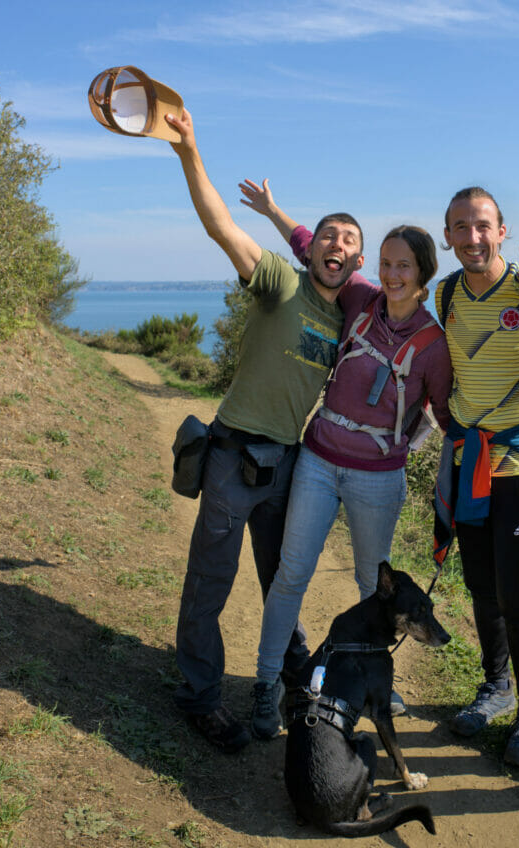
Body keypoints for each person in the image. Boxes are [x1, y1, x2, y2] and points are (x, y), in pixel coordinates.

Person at [164, 109, 372, 752]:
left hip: (288, 464)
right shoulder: (279, 282)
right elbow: (220, 224)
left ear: (356, 260)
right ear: (312, 250)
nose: (336, 247)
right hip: (231, 457)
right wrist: (189, 150)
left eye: (348, 242)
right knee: (210, 583)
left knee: (284, 579)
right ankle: (199, 697)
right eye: (328, 237)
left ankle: (291, 678)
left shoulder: (350, 316)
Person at [239, 180, 453, 739]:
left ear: (424, 275)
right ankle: (266, 683)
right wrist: (273, 211)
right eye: (385, 263)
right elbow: (313, 246)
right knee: (291, 574)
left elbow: (450, 412)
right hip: (318, 458)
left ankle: (371, 682)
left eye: (403, 266)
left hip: (378, 479)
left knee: (370, 585)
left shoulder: (433, 345)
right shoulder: (362, 299)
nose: (391, 274)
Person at [431, 187, 519, 766]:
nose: (472, 238)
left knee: (517, 587)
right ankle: (496, 686)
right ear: (448, 234)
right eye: (461, 227)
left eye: (482, 226)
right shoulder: (446, 292)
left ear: (502, 230)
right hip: (466, 457)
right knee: (480, 583)